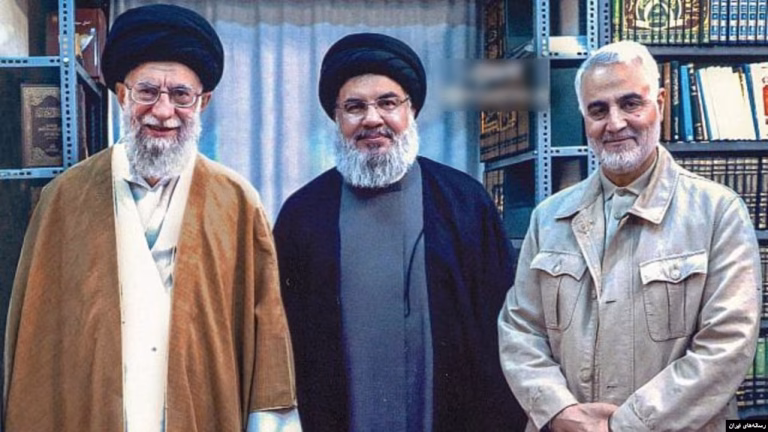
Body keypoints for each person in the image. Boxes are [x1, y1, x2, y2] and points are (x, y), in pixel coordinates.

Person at [3, 4, 298, 431]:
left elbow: (266, 343)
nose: (163, 111)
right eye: (147, 92)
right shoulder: (64, 200)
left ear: (203, 102)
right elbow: (37, 345)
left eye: (181, 95)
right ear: (122, 95)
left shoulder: (237, 202)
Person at [498, 40, 762, 432]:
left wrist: (625, 425)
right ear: (584, 118)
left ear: (660, 103)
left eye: (630, 103)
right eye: (598, 110)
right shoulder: (549, 219)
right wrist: (559, 411)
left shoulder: (717, 212)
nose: (615, 123)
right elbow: (520, 330)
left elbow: (727, 345)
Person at [273, 32, 526, 432]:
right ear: (336, 118)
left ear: (412, 110)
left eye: (388, 103)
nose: (372, 119)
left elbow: (502, 328)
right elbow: (282, 341)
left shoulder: (465, 202)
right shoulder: (302, 215)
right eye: (355, 107)